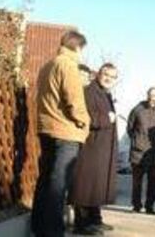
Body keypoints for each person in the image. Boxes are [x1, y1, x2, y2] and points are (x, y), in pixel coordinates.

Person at [31, 30, 91, 237]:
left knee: (45, 180)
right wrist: (84, 122)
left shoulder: (47, 66)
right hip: (66, 131)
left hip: (46, 128)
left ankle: (39, 227)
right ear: (78, 47)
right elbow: (74, 100)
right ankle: (53, 232)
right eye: (83, 49)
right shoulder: (68, 65)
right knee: (58, 184)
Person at [69, 63, 119, 235]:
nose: (108, 79)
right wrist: (107, 118)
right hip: (91, 146)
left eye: (113, 77)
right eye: (106, 74)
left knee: (96, 185)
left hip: (101, 147)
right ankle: (81, 224)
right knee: (86, 185)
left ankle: (94, 219)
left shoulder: (104, 93)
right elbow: (87, 117)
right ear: (99, 74)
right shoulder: (89, 92)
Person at [127, 87, 155, 215]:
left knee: (152, 182)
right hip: (138, 152)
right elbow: (130, 127)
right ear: (147, 95)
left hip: (154, 152)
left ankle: (150, 206)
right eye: (150, 94)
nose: (152, 97)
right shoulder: (137, 109)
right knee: (137, 182)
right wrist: (136, 139)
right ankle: (136, 206)